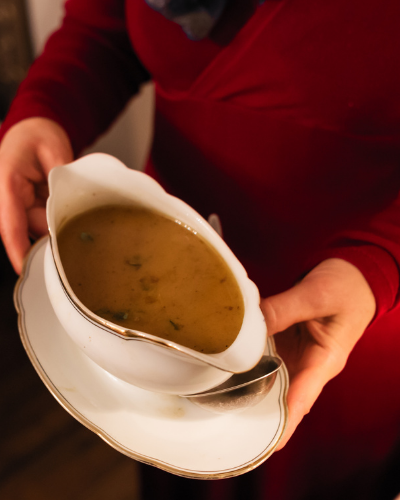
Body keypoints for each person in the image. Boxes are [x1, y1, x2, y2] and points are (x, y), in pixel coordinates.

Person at [1, 0, 400, 498]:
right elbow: (103, 29)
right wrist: (44, 108)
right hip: (144, 272)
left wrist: (382, 260)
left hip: (341, 319)